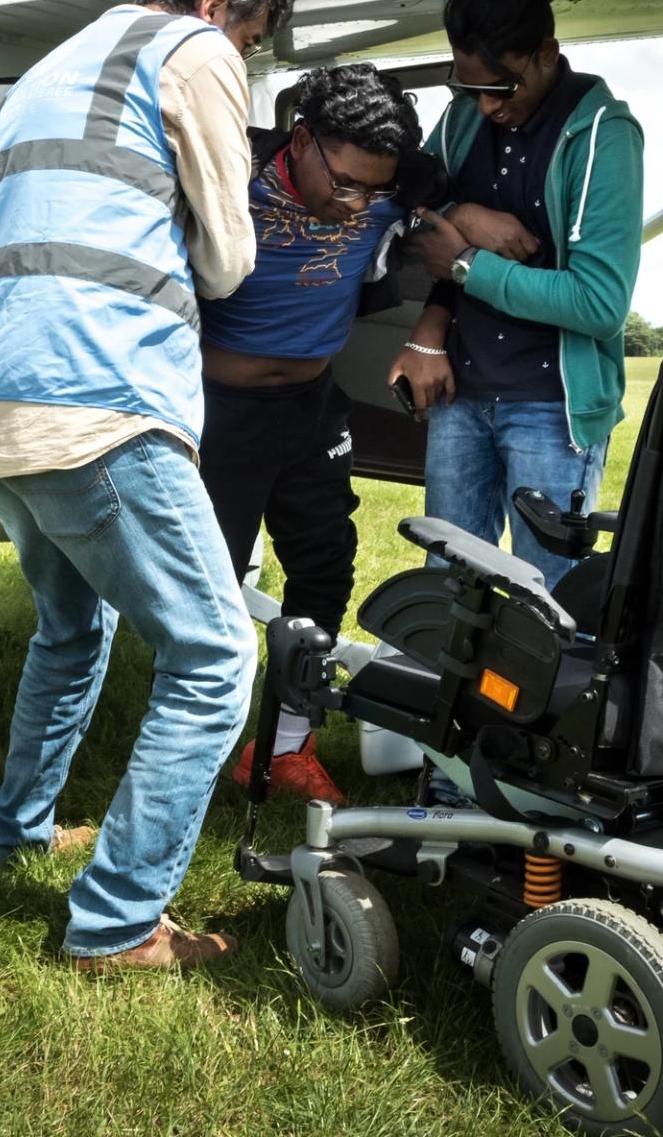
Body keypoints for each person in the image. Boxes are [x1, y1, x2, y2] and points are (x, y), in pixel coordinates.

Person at [0, 0, 294, 972]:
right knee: (217, 656)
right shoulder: (191, 50)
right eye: (256, 40)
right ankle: (116, 921)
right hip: (97, 391)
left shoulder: (53, 61)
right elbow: (228, 256)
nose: (249, 61)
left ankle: (13, 834)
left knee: (69, 626)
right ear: (219, 5)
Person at [194, 64, 439, 804]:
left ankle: (282, 748)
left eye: (375, 190)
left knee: (325, 570)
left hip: (311, 407)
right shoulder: (223, 182)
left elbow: (441, 201)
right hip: (217, 414)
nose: (356, 204)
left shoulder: (396, 182)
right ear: (299, 141)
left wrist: (461, 224)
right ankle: (184, 755)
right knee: (208, 598)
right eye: (344, 184)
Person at [389, 0, 645, 592]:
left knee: (549, 599)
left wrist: (468, 266)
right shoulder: (467, 116)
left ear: (545, 53)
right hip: (462, 399)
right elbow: (413, 194)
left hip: (551, 411)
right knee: (447, 586)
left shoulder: (603, 135)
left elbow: (598, 303)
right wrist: (467, 215)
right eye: (466, 86)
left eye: (500, 88)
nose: (484, 104)